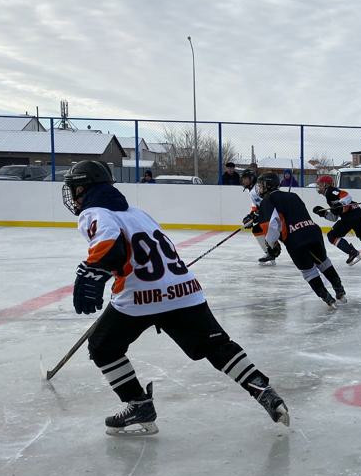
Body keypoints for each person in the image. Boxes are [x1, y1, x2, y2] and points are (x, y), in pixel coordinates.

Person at [62, 160, 289, 435]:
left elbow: (109, 243)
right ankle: (262, 389)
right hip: (184, 290)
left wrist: (90, 273)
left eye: (74, 189)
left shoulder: (93, 212)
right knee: (218, 347)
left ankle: (138, 404)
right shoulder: (137, 213)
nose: (72, 195)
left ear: (84, 189)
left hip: (139, 296)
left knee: (102, 347)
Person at [256, 172, 347, 308]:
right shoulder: (293, 195)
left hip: (295, 239)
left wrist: (272, 244)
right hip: (313, 232)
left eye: (261, 185)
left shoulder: (267, 201)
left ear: (268, 185)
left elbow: (272, 225)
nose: (260, 188)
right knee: (324, 262)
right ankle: (340, 291)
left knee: (308, 271)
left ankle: (327, 298)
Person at [312, 174, 361, 265]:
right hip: (359, 214)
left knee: (332, 236)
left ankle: (352, 252)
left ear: (326, 185)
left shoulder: (330, 191)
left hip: (350, 217)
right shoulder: (329, 196)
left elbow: (346, 195)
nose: (318, 187)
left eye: (320, 184)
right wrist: (324, 213)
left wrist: (340, 204)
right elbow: (334, 217)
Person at [238, 168, 275, 265]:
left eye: (245, 178)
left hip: (274, 214)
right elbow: (256, 207)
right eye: (243, 179)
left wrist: (257, 214)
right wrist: (251, 215)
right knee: (257, 230)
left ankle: (273, 251)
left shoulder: (258, 187)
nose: (243, 181)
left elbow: (268, 201)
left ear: (251, 178)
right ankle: (269, 253)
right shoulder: (251, 191)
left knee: (266, 228)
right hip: (267, 215)